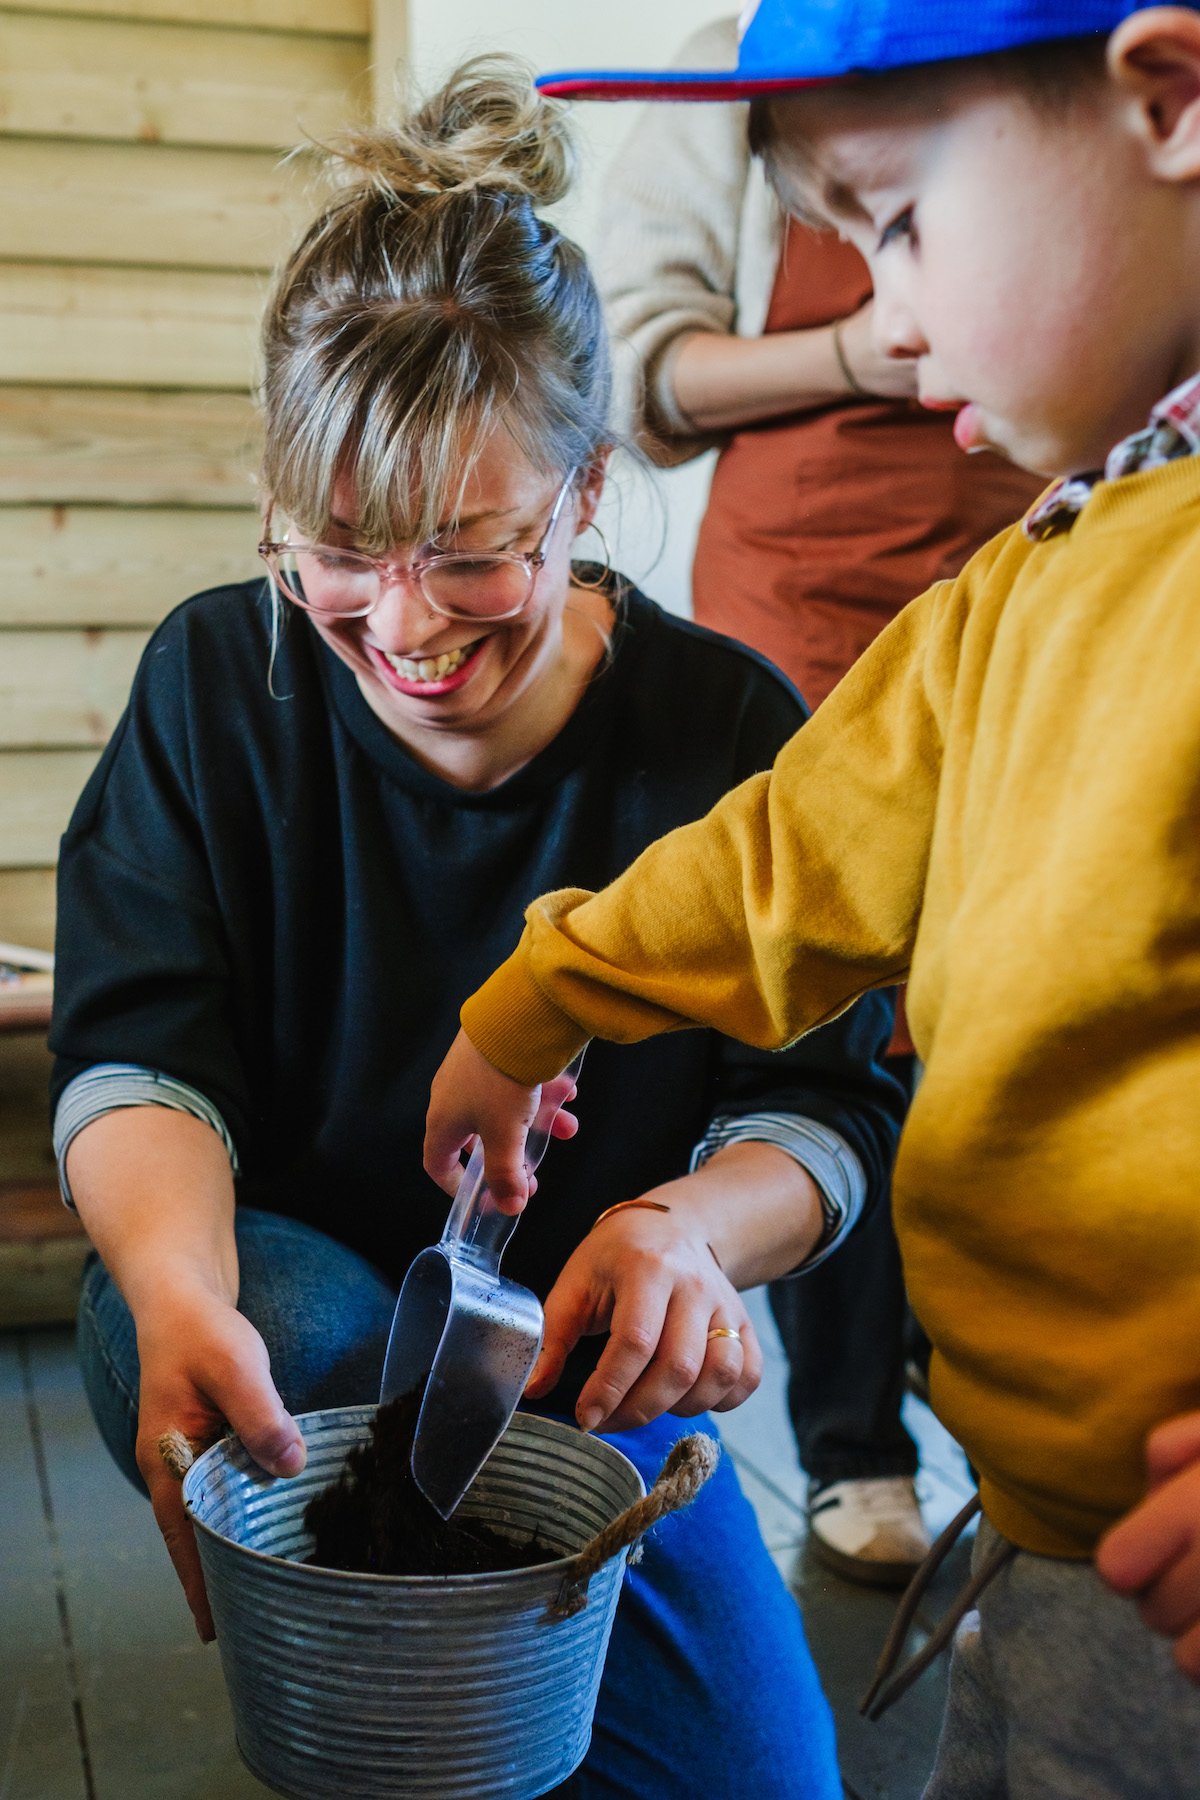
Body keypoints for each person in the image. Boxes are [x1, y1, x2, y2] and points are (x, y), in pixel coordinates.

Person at [49, 57, 907, 1800]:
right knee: (326, 1346)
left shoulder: (725, 728)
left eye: (472, 554)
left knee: (769, 1782)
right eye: (338, 551)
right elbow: (138, 1052)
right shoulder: (219, 681)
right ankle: (378, 1690)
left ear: (589, 490)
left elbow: (825, 1106)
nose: (404, 626)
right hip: (273, 1296)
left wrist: (688, 1232)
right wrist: (166, 1285)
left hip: (586, 1381)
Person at [425, 7, 1200, 1794]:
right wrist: (530, 1001)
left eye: (904, 218)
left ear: (1165, 102)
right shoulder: (1028, 583)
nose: (885, 313)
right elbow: (780, 863)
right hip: (1037, 1532)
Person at [594, 15, 1044, 1584]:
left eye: (909, 225)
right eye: (872, 233)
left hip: (1016, 563)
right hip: (799, 599)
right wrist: (863, 351)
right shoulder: (724, 67)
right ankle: (857, 1447)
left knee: (1001, 992)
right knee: (831, 1000)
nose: (890, 262)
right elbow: (635, 376)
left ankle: (1002, 1401)